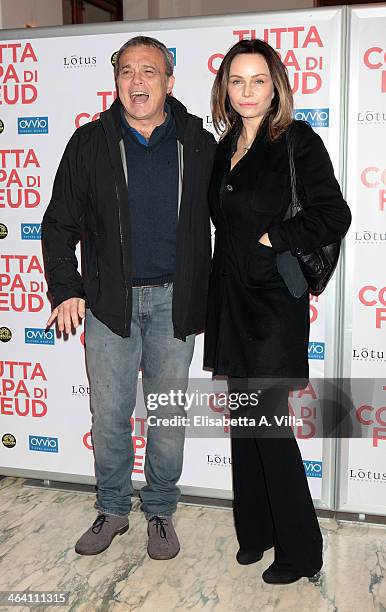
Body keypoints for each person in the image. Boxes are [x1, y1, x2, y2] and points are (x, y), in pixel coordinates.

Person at [42, 35, 216, 560]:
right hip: (109, 307)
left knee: (166, 417)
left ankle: (160, 511)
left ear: (169, 81)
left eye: (150, 72)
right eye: (127, 72)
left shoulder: (198, 143)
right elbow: (58, 224)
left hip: (173, 304)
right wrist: (67, 289)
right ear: (115, 80)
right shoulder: (89, 143)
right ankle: (113, 509)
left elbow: (233, 218)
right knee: (110, 415)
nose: (137, 82)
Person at [204, 39, 351, 584]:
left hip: (270, 304)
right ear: (225, 88)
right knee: (245, 423)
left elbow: (334, 213)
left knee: (268, 426)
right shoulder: (224, 146)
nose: (247, 91)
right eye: (237, 81)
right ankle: (257, 532)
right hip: (230, 301)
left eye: (258, 80)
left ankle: (301, 550)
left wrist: (273, 238)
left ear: (276, 86)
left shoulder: (296, 140)